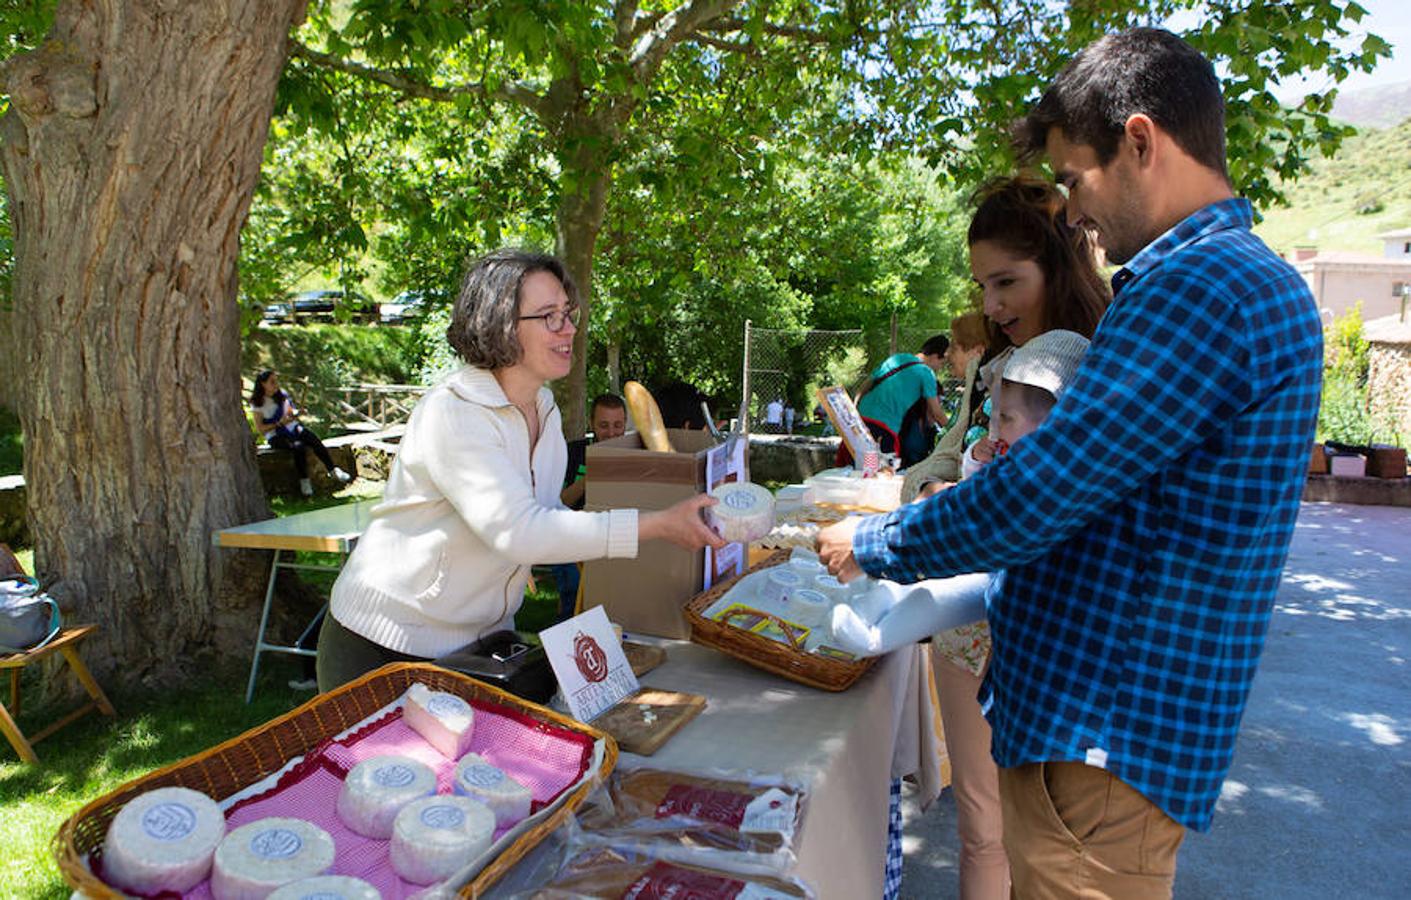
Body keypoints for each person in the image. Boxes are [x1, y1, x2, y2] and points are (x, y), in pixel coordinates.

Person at [819, 28, 1323, 899]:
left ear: (1140, 141)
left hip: (1103, 732)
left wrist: (875, 544)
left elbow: (1041, 493)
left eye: (1076, 180)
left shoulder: (1198, 289)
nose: (1075, 213)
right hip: (1095, 729)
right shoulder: (1209, 282)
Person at [317, 250, 725, 691]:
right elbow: (519, 529)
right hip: (382, 644)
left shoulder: (543, 408)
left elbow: (537, 515)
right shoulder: (455, 412)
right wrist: (659, 524)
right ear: (501, 325)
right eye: (549, 316)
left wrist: (520, 558)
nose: (569, 327)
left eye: (568, 313)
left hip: (473, 643)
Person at [553, 392, 628, 619]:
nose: (612, 433)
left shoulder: (635, 454)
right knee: (574, 597)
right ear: (591, 424)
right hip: (571, 541)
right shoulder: (572, 453)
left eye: (618, 425)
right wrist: (590, 477)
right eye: (604, 425)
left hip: (616, 540)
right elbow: (556, 504)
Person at [900, 311, 990, 498]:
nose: (948, 353)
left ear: (978, 351)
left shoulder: (986, 403)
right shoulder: (975, 394)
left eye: (955, 347)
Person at [248, 370, 353, 497]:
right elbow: (261, 429)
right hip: (275, 435)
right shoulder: (257, 403)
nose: (276, 385)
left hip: (293, 428)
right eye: (272, 382)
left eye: (276, 381)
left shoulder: (282, 396)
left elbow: (290, 412)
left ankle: (332, 469)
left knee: (313, 439)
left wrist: (297, 413)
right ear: (262, 384)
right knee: (298, 447)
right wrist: (279, 423)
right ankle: (305, 482)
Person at [855, 334, 950, 466]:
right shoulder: (926, 373)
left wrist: (855, 408)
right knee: (881, 471)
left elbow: (866, 385)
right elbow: (936, 412)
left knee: (861, 466)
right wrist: (954, 430)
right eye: (942, 363)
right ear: (935, 356)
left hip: (862, 419)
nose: (940, 368)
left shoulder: (897, 358)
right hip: (884, 427)